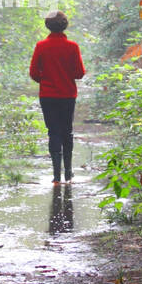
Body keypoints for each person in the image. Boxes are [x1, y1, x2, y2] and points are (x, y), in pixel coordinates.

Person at [29, 10, 86, 184]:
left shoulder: (41, 46)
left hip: (47, 95)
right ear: (65, 25)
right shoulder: (72, 47)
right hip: (67, 95)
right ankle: (68, 173)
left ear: (47, 26)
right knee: (67, 132)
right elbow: (79, 73)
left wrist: (45, 80)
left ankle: (56, 176)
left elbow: (33, 72)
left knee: (53, 132)